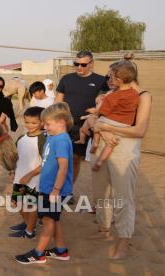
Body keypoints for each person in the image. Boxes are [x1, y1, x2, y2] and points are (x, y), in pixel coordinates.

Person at [91, 59, 152, 260]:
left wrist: (107, 128)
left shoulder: (143, 96)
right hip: (101, 147)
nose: (108, 79)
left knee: (124, 197)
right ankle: (104, 227)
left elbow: (139, 130)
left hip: (125, 150)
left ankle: (124, 240)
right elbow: (93, 118)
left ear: (122, 76)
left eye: (111, 75)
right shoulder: (111, 94)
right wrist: (99, 127)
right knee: (101, 192)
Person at [14, 102, 74, 264]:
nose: (45, 127)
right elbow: (47, 163)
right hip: (47, 188)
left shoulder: (61, 140)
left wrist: (56, 189)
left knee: (48, 221)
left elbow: (63, 167)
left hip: (54, 191)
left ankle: (38, 253)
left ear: (61, 121)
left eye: (48, 124)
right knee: (53, 220)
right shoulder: (53, 138)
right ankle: (61, 251)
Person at [55, 50, 109, 199]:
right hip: (65, 125)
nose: (79, 67)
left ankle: (67, 191)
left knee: (76, 159)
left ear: (91, 64)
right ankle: (60, 189)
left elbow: (106, 102)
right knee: (62, 158)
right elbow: (57, 102)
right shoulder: (66, 79)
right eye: (76, 64)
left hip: (87, 126)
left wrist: (95, 114)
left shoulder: (101, 81)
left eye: (83, 64)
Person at [76, 61, 139, 171]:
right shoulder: (134, 93)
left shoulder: (113, 96)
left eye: (111, 77)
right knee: (110, 144)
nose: (109, 79)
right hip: (125, 124)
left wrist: (94, 111)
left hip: (110, 121)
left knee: (94, 121)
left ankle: (95, 142)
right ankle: (101, 161)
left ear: (118, 80)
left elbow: (102, 112)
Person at [8, 106, 46, 239]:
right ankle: (27, 224)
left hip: (34, 180)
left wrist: (29, 175)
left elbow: (45, 163)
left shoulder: (43, 140)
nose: (30, 125)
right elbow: (15, 156)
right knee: (17, 203)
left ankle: (30, 231)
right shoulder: (22, 138)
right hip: (19, 178)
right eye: (27, 122)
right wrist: (12, 172)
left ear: (42, 122)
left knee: (30, 205)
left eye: (34, 123)